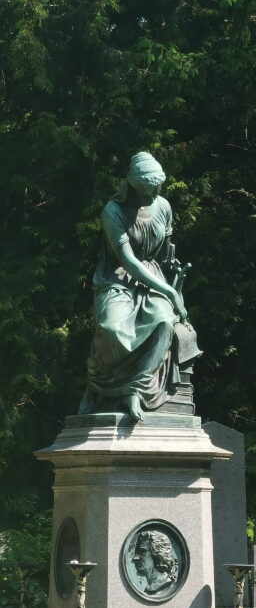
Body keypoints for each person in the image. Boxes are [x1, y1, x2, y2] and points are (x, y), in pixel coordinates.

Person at [79, 152, 197, 421]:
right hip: (118, 279)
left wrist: (173, 275)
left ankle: (136, 389)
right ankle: (96, 386)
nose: (153, 195)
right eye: (147, 190)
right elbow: (128, 260)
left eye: (156, 188)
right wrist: (169, 292)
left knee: (163, 323)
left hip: (153, 277)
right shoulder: (113, 211)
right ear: (132, 186)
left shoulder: (164, 206)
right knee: (112, 329)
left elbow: (165, 252)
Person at [132, 529, 178, 595]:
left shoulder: (167, 586)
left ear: (158, 555)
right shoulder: (149, 589)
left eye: (142, 551)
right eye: (136, 553)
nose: (135, 558)